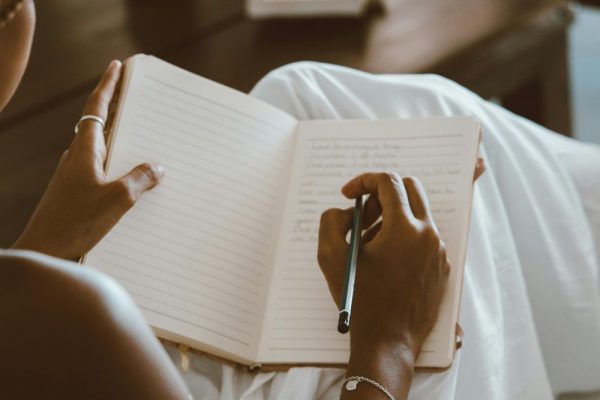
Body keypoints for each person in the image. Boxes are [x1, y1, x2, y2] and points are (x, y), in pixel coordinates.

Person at [2, 1, 600, 400]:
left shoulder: (42, 292)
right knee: (422, 192)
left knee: (304, 94)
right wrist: (387, 341)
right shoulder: (71, 312)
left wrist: (43, 247)